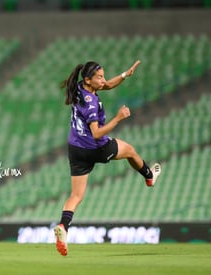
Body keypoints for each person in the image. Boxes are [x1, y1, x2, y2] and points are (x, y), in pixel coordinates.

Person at [54, 60, 161, 256]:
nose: (103, 80)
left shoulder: (80, 87)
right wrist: (118, 118)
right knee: (129, 150)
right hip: (94, 147)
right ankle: (148, 176)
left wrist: (123, 75)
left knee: (76, 196)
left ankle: (63, 226)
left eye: (103, 76)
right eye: (100, 77)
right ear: (88, 80)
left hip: (75, 148)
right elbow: (96, 133)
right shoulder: (91, 104)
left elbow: (108, 85)